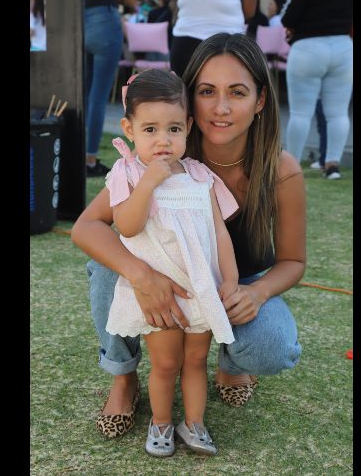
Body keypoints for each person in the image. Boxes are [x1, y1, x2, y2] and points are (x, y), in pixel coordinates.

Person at [71, 32, 305, 439]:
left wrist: (258, 292)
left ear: (261, 100)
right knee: (107, 265)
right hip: (165, 276)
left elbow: (293, 262)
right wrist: (141, 275)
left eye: (237, 92)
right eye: (207, 91)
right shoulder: (164, 147)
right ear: (189, 97)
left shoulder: (280, 168)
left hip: (232, 283)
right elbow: (88, 227)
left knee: (272, 345)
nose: (221, 107)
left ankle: (232, 365)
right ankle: (123, 376)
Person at [96, 69, 239, 455]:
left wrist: (231, 278)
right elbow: (126, 225)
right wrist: (148, 183)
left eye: (174, 129)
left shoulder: (199, 175)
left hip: (200, 288)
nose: (163, 140)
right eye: (150, 130)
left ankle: (194, 424)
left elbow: (219, 232)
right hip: (159, 294)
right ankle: (160, 424)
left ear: (188, 127)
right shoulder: (127, 174)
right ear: (129, 128)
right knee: (165, 363)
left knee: (195, 361)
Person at [282, 0, 352, 178]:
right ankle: (332, 166)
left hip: (307, 47)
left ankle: (292, 165)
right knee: (338, 113)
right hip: (343, 46)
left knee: (300, 113)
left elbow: (289, 17)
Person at [84, 0, 136, 177]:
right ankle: (89, 161)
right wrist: (132, 5)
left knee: (82, 95)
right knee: (98, 97)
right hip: (104, 18)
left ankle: (74, 154)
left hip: (77, 19)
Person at [169, 0, 257, 77]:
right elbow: (249, 11)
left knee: (182, 90)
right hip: (229, 38)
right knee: (230, 89)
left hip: (186, 38)